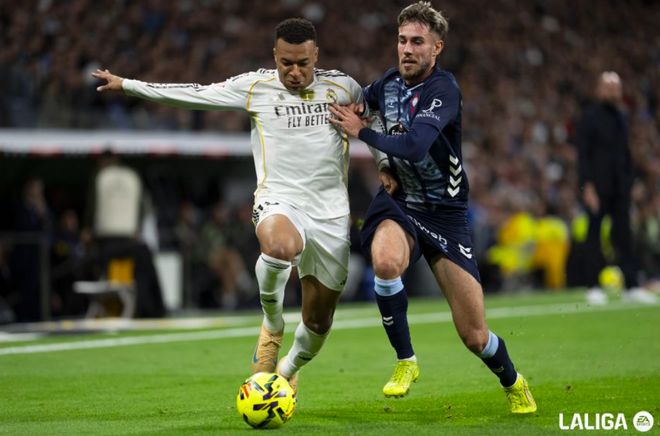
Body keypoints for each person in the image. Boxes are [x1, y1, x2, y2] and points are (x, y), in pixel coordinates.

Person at [92, 18, 364, 391]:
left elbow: (378, 119)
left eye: (303, 63)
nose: (294, 72)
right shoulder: (255, 87)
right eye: (286, 62)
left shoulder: (344, 88)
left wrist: (384, 164)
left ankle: (286, 371)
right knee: (278, 247)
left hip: (331, 215)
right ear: (274, 55)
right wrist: (129, 85)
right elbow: (195, 93)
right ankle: (272, 324)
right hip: (280, 200)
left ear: (316, 55)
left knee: (318, 323)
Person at [329, 1, 536, 413]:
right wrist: (379, 157)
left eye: (417, 42)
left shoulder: (444, 90)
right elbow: (359, 108)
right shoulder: (386, 84)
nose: (407, 49)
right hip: (401, 201)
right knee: (386, 261)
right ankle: (406, 360)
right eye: (402, 40)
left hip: (445, 213)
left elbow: (415, 145)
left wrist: (363, 134)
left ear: (436, 48)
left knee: (475, 336)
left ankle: (513, 381)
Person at [576, 71, 658, 305]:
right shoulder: (590, 117)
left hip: (620, 186)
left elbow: (625, 154)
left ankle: (631, 285)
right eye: (608, 86)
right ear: (599, 90)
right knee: (594, 234)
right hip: (598, 186)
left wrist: (631, 183)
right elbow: (583, 154)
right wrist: (587, 186)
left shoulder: (622, 116)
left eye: (616, 87)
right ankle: (593, 286)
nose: (613, 91)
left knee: (624, 235)